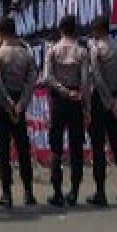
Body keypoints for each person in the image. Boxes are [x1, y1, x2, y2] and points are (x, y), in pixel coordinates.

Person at [0, 16, 37, 207]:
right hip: (20, 102)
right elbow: (32, 79)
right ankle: (28, 192)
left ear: (1, 33)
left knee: (3, 150)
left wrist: (9, 104)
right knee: (23, 148)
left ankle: (6, 193)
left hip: (2, 105)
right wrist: (20, 103)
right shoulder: (25, 54)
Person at [43, 14, 88, 206]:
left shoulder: (53, 51)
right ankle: (74, 192)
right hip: (76, 100)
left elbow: (47, 78)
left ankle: (57, 192)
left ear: (61, 29)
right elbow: (86, 81)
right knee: (76, 147)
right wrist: (83, 103)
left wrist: (63, 91)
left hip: (59, 101)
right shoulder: (82, 52)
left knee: (56, 147)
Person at [86, 16, 117, 206]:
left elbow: (96, 77)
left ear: (98, 30)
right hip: (115, 100)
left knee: (98, 149)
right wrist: (116, 101)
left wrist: (107, 101)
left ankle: (100, 192)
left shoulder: (96, 49)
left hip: (100, 101)